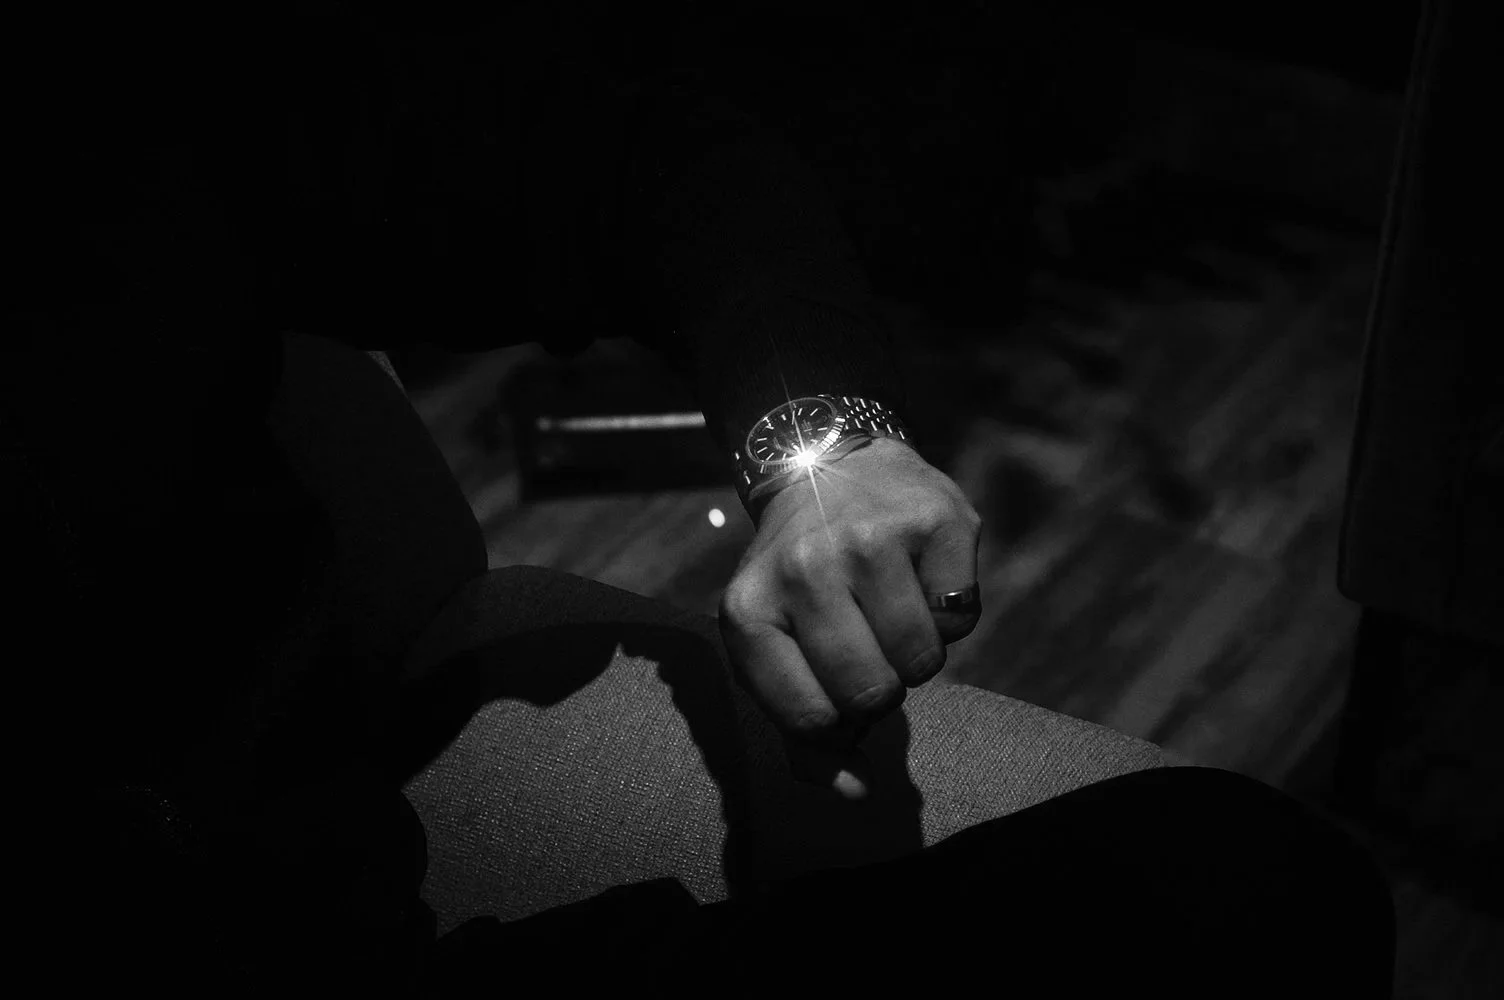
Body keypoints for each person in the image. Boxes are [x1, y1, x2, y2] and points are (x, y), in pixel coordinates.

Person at [4, 4, 1394, 996]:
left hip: (330, 899)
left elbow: (644, 162)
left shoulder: (123, 86)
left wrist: (825, 445)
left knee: (1255, 892)